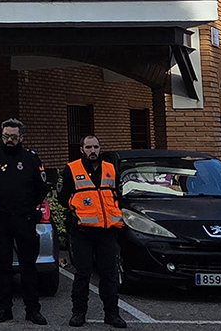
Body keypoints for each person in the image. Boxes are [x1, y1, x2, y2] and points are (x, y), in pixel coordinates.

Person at [0, 118, 48, 326]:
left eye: (13, 137)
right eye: (6, 136)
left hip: (25, 219)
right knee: (3, 267)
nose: (9, 140)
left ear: (21, 137)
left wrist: (28, 207)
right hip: (1, 220)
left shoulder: (31, 160)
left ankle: (33, 310)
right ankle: (4, 309)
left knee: (28, 267)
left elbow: (41, 189)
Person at [59, 136, 126, 328]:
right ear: (81, 149)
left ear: (100, 148)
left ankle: (112, 314)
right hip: (82, 231)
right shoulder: (72, 169)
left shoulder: (111, 169)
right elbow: (63, 197)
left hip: (107, 231)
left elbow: (118, 196)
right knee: (83, 273)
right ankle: (78, 314)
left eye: (95, 146)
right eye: (88, 147)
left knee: (109, 274)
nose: (92, 150)